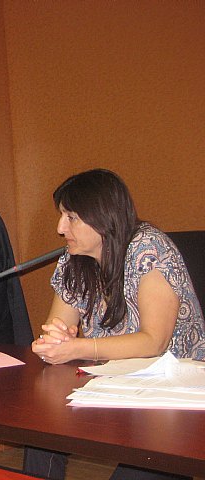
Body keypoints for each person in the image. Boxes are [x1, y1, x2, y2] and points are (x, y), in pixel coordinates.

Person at [26, 169, 204, 480]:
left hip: (172, 391)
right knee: (41, 434)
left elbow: (153, 343)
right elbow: (58, 327)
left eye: (71, 218)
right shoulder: (74, 258)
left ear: (102, 217)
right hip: (116, 382)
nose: (60, 228)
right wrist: (52, 342)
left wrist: (78, 346)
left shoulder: (149, 248)